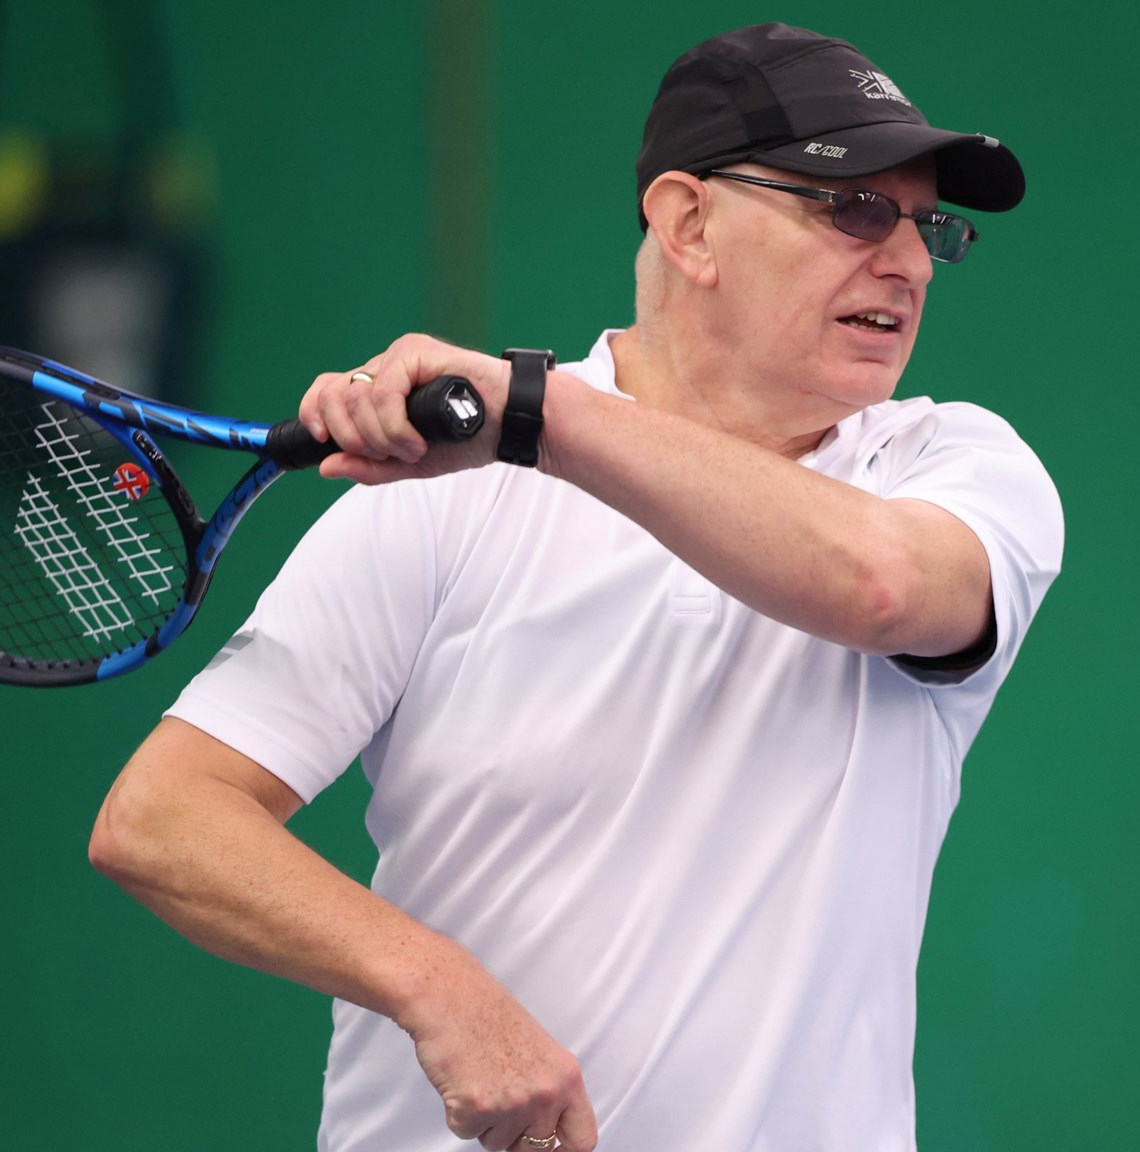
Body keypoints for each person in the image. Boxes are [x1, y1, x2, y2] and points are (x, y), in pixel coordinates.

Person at [89, 22, 1062, 1152]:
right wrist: (436, 987)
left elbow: (880, 586)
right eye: (853, 210)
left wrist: (533, 416)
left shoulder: (951, 467)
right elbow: (163, 818)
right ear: (687, 224)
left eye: (926, 227)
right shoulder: (442, 498)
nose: (907, 263)